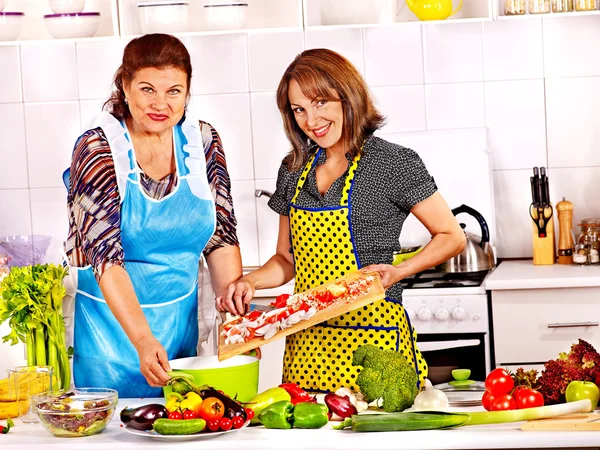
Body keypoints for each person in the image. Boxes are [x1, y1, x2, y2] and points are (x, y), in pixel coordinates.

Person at [220, 49, 466, 393]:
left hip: (374, 339)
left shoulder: (393, 163)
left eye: (320, 102)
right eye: (299, 109)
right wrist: (252, 282)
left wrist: (399, 271)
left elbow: (451, 236)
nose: (311, 119)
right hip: (308, 348)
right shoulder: (293, 168)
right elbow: (286, 260)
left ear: (347, 96)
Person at [64, 34, 242, 398]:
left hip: (181, 339)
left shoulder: (202, 141)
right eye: (147, 89)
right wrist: (143, 340)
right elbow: (105, 259)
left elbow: (220, 237)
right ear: (125, 86)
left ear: (188, 92)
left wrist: (238, 321)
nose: (161, 103)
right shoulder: (97, 148)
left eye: (174, 91)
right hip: (109, 341)